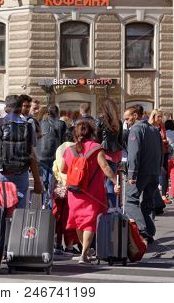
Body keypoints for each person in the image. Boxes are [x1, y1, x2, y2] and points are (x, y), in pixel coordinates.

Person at [61, 120, 119, 264]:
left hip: (75, 191)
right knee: (89, 221)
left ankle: (84, 252)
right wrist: (115, 181)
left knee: (80, 222)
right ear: (92, 133)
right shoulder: (96, 148)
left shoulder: (69, 150)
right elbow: (105, 167)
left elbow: (63, 169)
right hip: (92, 191)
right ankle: (84, 253)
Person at [0, 95, 43, 208]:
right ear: (20, 109)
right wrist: (37, 182)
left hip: (0, 173)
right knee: (18, 213)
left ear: (6, 109)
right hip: (20, 174)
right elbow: (32, 155)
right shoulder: (28, 127)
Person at [125, 105, 163, 244]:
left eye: (128, 119)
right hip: (154, 172)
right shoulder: (154, 130)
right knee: (148, 203)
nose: (127, 122)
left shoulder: (136, 129)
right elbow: (160, 152)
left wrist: (131, 174)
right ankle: (150, 233)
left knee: (130, 200)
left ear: (135, 116)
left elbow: (134, 154)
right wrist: (158, 170)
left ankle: (143, 230)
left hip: (141, 172)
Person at [52, 127, 77, 256]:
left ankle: (56, 243)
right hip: (71, 185)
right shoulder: (75, 148)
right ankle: (69, 245)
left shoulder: (59, 148)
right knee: (69, 215)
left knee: (57, 213)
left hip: (59, 184)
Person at [96, 98, 123, 208]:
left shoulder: (100, 120)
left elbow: (96, 138)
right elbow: (120, 140)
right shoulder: (118, 122)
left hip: (103, 153)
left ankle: (110, 206)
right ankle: (114, 205)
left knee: (106, 182)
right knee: (112, 180)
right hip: (115, 154)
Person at [36, 105, 67, 193]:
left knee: (44, 176)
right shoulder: (61, 124)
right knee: (52, 175)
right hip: (54, 154)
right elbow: (64, 139)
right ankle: (50, 199)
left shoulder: (40, 122)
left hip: (41, 154)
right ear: (57, 113)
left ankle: (44, 197)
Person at [149, 109, 171, 204]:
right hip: (153, 152)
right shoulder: (149, 126)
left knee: (165, 173)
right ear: (153, 117)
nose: (160, 118)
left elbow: (164, 137)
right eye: (158, 116)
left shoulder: (162, 126)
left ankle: (163, 195)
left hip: (163, 151)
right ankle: (154, 195)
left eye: (161, 116)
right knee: (155, 173)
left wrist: (165, 141)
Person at [164, 120, 174, 201]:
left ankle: (165, 193)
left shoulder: (164, 134)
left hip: (166, 157)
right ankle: (173, 195)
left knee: (165, 176)